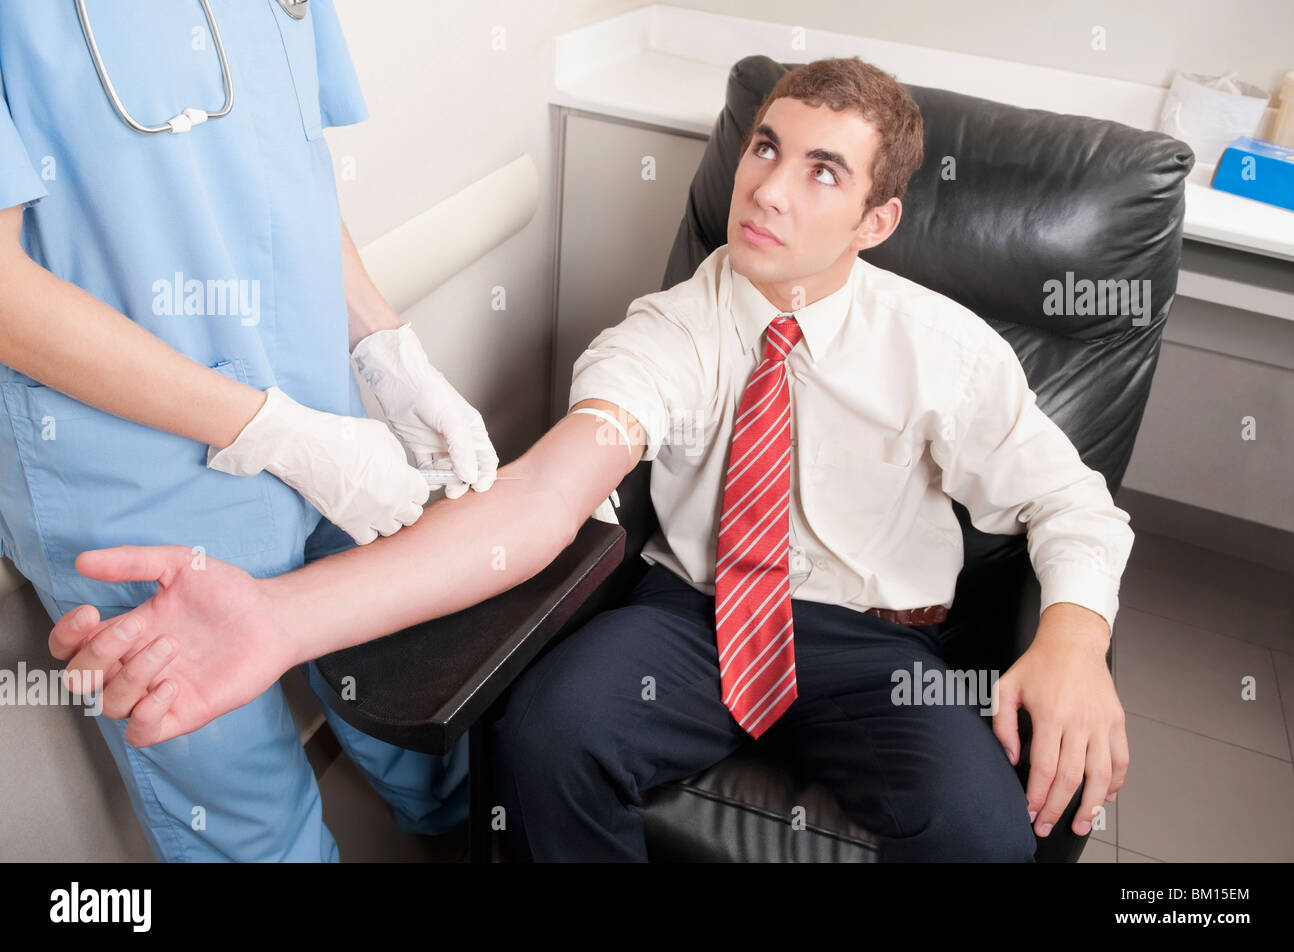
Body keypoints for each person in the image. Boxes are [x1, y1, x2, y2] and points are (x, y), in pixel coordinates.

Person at [51, 56, 1133, 861]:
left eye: (820, 172)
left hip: (870, 639)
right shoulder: (668, 329)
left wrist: (1075, 641)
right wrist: (280, 617)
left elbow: (1071, 504)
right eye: (763, 147)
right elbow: (541, 498)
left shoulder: (944, 350)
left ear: (876, 218)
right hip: (694, 617)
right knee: (547, 734)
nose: (766, 189)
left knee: (987, 833)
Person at [0, 0, 496, 861]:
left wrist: (383, 350)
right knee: (258, 834)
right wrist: (276, 433)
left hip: (326, 416)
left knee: (422, 713)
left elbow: (286, 164)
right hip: (139, 479)